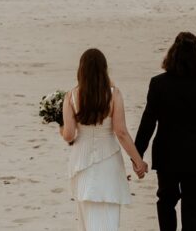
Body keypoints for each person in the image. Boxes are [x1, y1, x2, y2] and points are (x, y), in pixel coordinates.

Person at [134, 32, 196, 231]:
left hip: (167, 155)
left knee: (166, 202)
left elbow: (148, 121)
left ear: (172, 54)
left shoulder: (158, 83)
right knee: (194, 210)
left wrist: (137, 154)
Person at [61, 48, 149, 230]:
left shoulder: (71, 96)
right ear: (104, 69)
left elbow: (69, 135)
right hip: (108, 158)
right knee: (108, 213)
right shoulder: (113, 94)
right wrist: (138, 161)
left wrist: (60, 127)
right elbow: (121, 132)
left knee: (87, 215)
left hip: (81, 160)